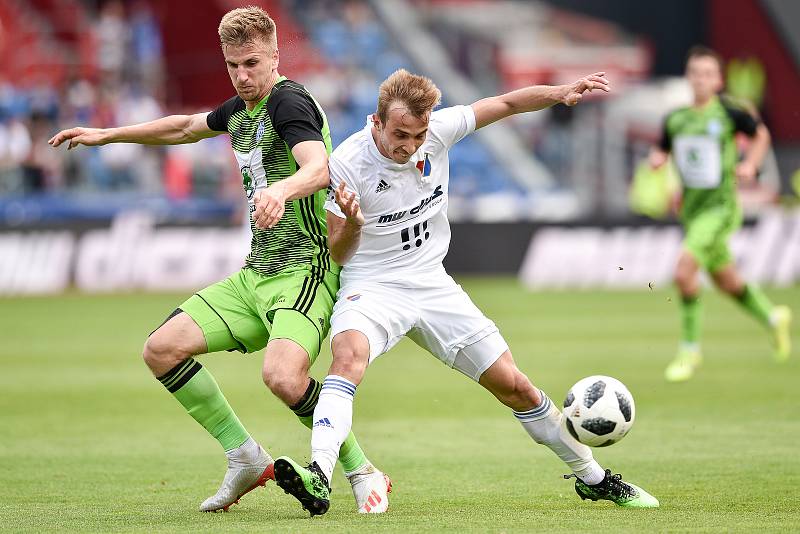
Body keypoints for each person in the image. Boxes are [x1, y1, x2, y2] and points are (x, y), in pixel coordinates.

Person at [48, 6, 390, 514]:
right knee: (161, 350)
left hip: (305, 270)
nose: (242, 75)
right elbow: (186, 127)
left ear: (275, 54)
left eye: (251, 63)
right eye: (233, 65)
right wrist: (106, 136)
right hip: (257, 275)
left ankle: (362, 471)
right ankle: (244, 456)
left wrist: (281, 190)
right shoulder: (239, 110)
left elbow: (319, 168)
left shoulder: (289, 102)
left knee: (283, 379)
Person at [272, 68, 659, 515]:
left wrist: (559, 93)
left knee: (516, 387)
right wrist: (354, 224)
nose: (411, 145)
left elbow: (508, 103)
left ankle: (595, 480)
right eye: (400, 134)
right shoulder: (346, 164)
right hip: (374, 286)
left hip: (434, 284)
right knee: (347, 359)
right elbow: (339, 256)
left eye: (418, 135)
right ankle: (319, 475)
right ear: (376, 122)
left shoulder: (439, 130)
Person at [649, 46, 791, 382]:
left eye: (707, 74)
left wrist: (751, 164)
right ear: (688, 77)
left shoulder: (729, 113)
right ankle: (773, 318)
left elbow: (761, 135)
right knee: (727, 282)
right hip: (693, 211)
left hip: (720, 208)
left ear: (719, 79)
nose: (700, 80)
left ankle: (689, 351)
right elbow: (662, 146)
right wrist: (657, 159)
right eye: (695, 73)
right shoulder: (676, 119)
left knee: (684, 273)